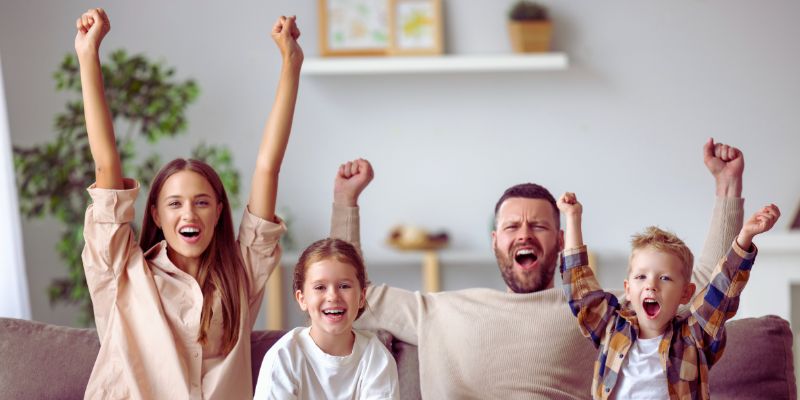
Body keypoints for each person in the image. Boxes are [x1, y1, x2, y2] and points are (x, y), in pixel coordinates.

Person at [330, 139, 747, 398]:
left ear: (561, 242)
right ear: (495, 241)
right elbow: (353, 296)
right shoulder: (439, 311)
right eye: (512, 227)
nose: (524, 235)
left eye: (540, 226)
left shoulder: (602, 316)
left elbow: (700, 290)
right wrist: (346, 202)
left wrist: (727, 188)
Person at [77, 9, 302, 399]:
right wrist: (88, 55)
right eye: (174, 203)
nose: (189, 214)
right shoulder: (123, 272)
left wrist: (291, 64)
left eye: (201, 202)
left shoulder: (240, 276)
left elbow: (268, 167)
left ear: (218, 211)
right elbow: (106, 164)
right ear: (155, 214)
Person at [558, 191, 779, 399]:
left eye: (664, 278)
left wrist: (745, 237)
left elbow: (722, 293)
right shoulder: (611, 328)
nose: (651, 285)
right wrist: (573, 218)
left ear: (686, 293)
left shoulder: (693, 336)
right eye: (641, 277)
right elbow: (581, 289)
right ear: (628, 289)